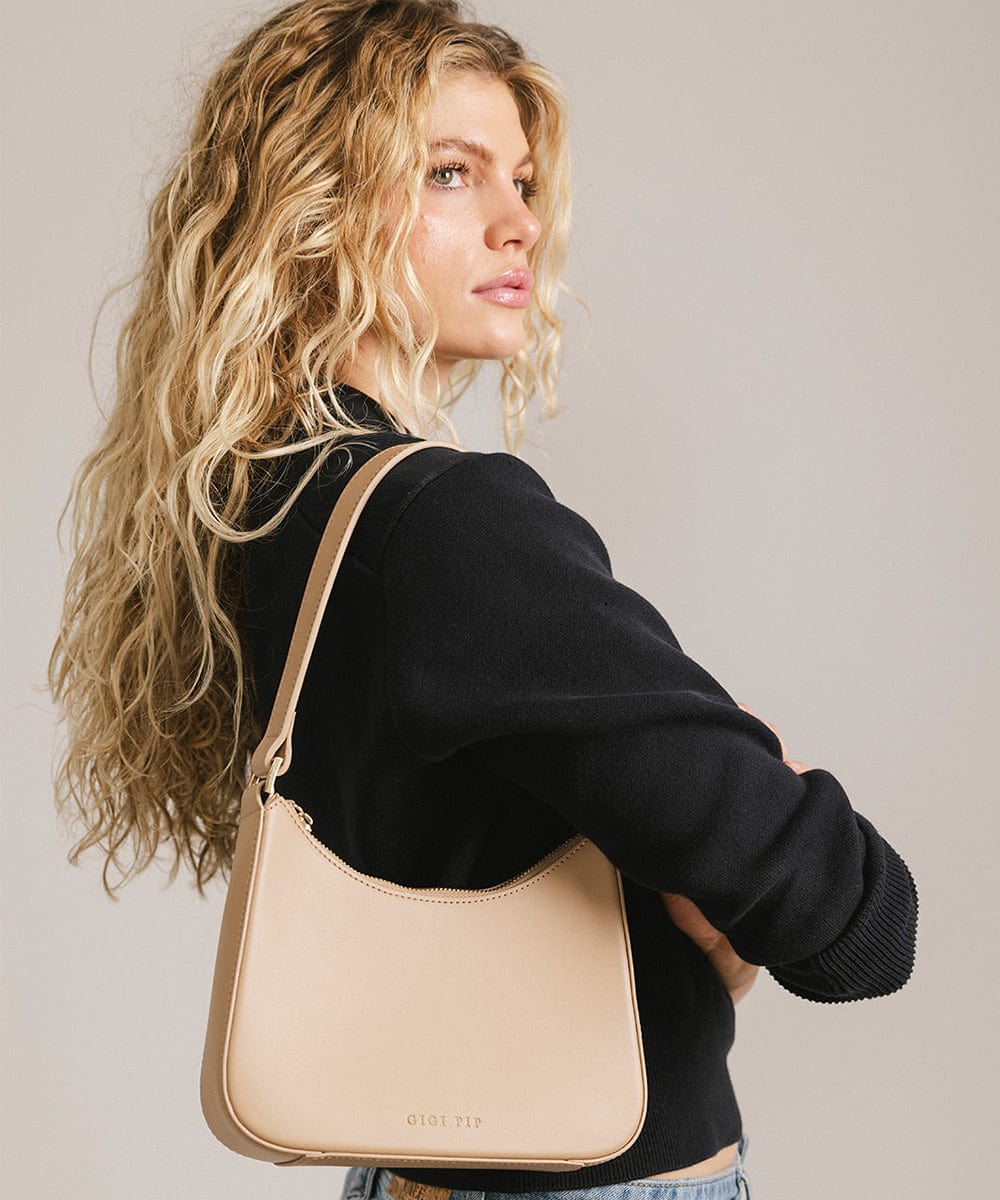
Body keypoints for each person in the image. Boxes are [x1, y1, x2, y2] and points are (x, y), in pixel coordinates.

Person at [46, 3, 919, 1199]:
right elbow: (849, 922)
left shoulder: (267, 492)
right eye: (450, 175)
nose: (522, 221)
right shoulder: (448, 524)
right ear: (313, 209)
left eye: (520, 177)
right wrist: (757, 817)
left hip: (416, 1168)